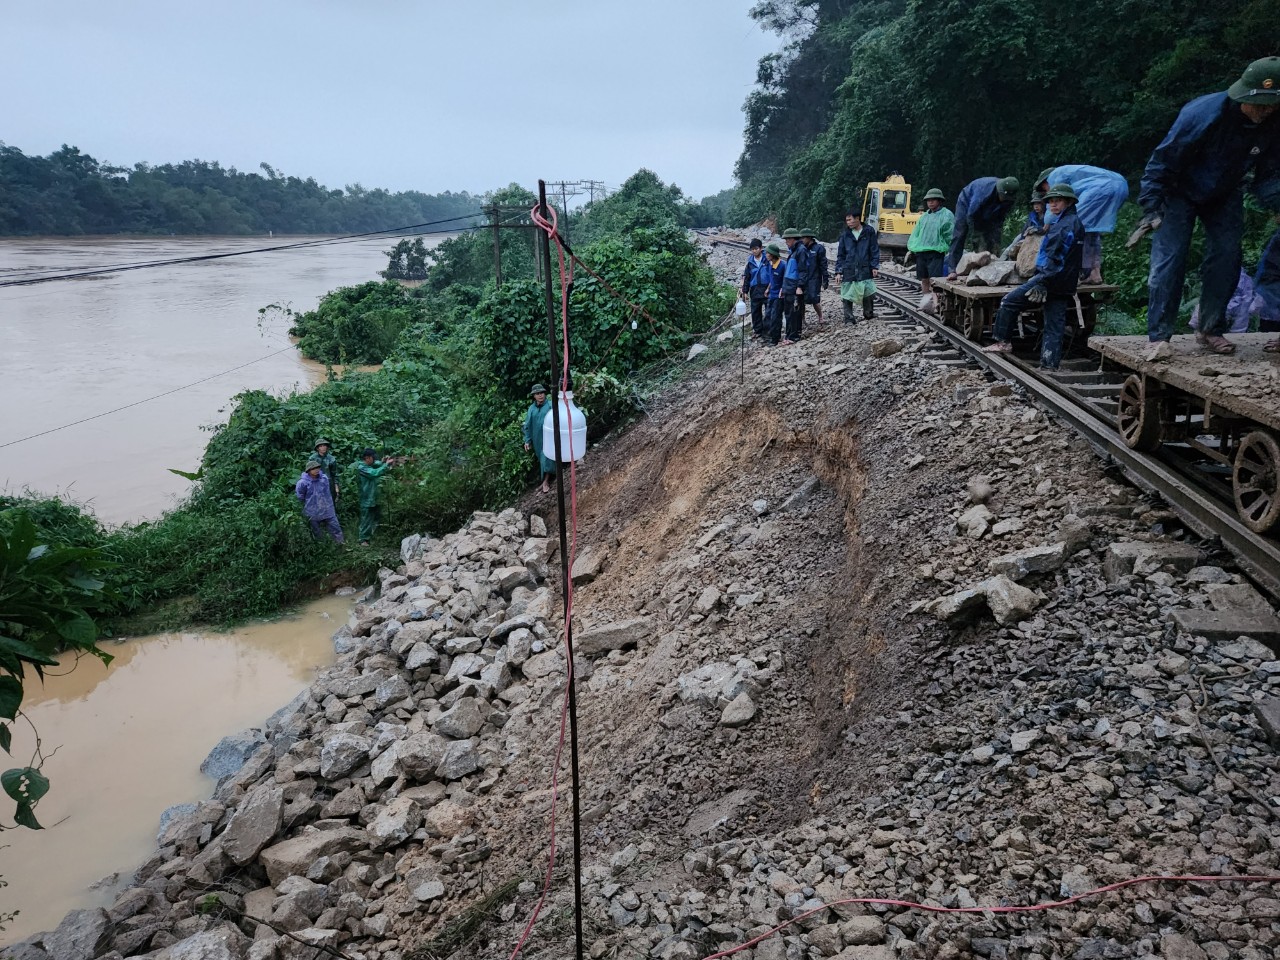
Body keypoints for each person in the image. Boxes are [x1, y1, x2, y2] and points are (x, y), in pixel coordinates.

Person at [1138, 57, 1280, 361]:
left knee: (1227, 257)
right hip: (1178, 192)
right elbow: (1162, 161)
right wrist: (1151, 205)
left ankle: (1210, 328)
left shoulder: (1272, 125)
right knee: (1170, 260)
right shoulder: (1203, 115)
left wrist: (1277, 205)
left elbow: (1268, 176)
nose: (1264, 111)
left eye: (1271, 106)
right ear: (1244, 95)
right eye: (1259, 104)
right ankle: (1158, 337)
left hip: (1225, 192)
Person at [982, 183, 1083, 370]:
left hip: (1050, 279)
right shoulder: (1074, 223)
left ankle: (1003, 341)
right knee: (1054, 326)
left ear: (1068, 202)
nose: (1053, 205)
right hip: (1064, 283)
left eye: (1057, 201)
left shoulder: (1063, 226)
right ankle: (1049, 365)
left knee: (1009, 302)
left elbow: (1056, 257)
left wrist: (1042, 281)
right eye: (1050, 201)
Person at [1033, 165, 1130, 283]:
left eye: (1044, 189)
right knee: (1091, 230)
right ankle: (1095, 274)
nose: (1045, 191)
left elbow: (1053, 204)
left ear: (1045, 181)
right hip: (1122, 186)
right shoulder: (1073, 173)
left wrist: (1045, 226)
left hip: (1099, 189)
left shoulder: (1055, 176)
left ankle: (1077, 274)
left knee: (1076, 230)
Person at [946, 176, 1020, 278]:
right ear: (1000, 191)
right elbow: (971, 216)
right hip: (967, 202)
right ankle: (953, 269)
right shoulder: (983, 193)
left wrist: (995, 238)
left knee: (993, 235)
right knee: (960, 234)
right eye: (1003, 197)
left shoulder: (1010, 198)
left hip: (990, 210)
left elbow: (1000, 219)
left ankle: (993, 267)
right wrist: (975, 238)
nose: (1005, 200)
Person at [906, 188, 953, 301]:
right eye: (928, 200)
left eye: (933, 200)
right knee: (924, 278)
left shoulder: (946, 215)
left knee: (935, 280)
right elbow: (916, 233)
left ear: (939, 201)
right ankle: (926, 301)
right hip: (921, 252)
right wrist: (913, 247)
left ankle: (936, 303)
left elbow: (950, 233)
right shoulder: (924, 217)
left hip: (936, 252)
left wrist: (950, 247)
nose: (930, 202)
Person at [834, 210, 880, 323]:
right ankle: (848, 318)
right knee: (847, 293)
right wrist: (838, 271)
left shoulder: (868, 231)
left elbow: (874, 249)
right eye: (847, 220)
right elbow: (841, 254)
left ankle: (868, 314)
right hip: (849, 266)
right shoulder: (846, 234)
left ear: (858, 218)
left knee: (868, 291)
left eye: (850, 219)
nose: (848, 223)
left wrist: (874, 266)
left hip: (865, 266)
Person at [353, 447, 395, 546]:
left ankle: (371, 535)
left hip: (374, 497)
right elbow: (374, 473)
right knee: (366, 519)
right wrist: (385, 465)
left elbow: (377, 464)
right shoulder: (362, 468)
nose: (373, 460)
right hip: (366, 498)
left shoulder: (371, 464)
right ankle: (363, 539)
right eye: (372, 458)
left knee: (376, 517)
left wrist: (384, 462)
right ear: (367, 458)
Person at [295, 458, 344, 543]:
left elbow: (327, 492)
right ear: (309, 471)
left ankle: (340, 544)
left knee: (335, 526)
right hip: (312, 510)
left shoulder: (324, 478)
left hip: (327, 507)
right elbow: (300, 496)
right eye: (314, 468)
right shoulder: (302, 483)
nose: (316, 470)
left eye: (318, 468)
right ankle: (321, 547)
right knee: (316, 531)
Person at [780, 228, 812, 344]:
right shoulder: (793, 251)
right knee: (790, 311)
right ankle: (790, 335)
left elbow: (803, 270)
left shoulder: (800, 250)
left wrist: (800, 286)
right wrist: (784, 288)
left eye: (787, 239)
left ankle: (794, 336)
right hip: (789, 286)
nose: (785, 242)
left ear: (792, 239)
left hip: (794, 287)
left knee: (793, 312)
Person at [522, 384, 557, 493]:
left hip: (550, 438)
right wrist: (527, 440)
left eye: (541, 393)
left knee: (546, 457)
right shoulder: (531, 409)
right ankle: (546, 479)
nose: (540, 395)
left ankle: (546, 481)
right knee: (542, 459)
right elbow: (527, 425)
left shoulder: (551, 405)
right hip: (537, 439)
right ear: (534, 396)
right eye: (537, 394)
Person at [740, 239, 771, 339]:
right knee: (755, 311)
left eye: (756, 249)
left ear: (761, 249)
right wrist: (745, 291)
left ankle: (768, 330)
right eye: (752, 249)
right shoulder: (750, 263)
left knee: (769, 310)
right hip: (755, 289)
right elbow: (747, 278)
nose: (754, 251)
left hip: (767, 288)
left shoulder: (767, 259)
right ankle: (758, 330)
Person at [801, 229, 828, 324]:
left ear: (809, 238)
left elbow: (823, 265)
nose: (802, 240)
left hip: (815, 278)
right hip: (803, 278)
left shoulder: (818, 249)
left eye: (803, 238)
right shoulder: (801, 248)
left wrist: (825, 279)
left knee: (814, 299)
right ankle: (802, 319)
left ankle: (820, 317)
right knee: (801, 299)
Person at [763, 242, 787, 346]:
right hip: (772, 294)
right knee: (768, 315)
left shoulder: (782, 265)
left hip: (779, 295)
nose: (766, 255)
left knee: (775, 317)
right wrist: (768, 288)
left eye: (767, 253)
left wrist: (783, 289)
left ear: (772, 254)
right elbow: (771, 279)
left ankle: (775, 339)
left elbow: (785, 280)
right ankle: (768, 336)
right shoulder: (770, 264)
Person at [310, 437, 339, 505]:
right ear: (317, 448)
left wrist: (336, 488)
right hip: (316, 483)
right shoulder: (312, 458)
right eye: (321, 446)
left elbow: (335, 474)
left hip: (329, 483)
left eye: (324, 445)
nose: (323, 447)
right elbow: (309, 473)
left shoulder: (331, 459)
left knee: (330, 503)